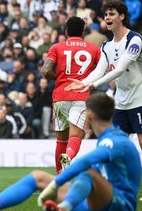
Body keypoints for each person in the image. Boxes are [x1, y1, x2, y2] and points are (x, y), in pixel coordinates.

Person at [0, 93, 142, 211]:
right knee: (38, 176)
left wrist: (56, 185)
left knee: (86, 170)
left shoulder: (116, 141)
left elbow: (85, 164)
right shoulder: (108, 139)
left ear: (88, 115)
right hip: (95, 208)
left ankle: (64, 208)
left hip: (120, 209)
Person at [66, 0, 142, 202]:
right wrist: (83, 82)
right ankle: (116, 187)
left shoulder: (135, 40)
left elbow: (120, 69)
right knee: (115, 145)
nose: (107, 17)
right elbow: (100, 70)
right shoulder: (106, 45)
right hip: (122, 100)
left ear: (122, 16)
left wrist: (92, 85)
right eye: (106, 14)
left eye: (112, 14)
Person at [41, 16, 101, 173]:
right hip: (81, 96)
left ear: (66, 31)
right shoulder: (93, 49)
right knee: (77, 135)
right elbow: (103, 69)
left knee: (61, 139)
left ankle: (59, 176)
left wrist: (59, 79)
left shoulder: (57, 47)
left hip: (60, 96)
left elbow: (45, 71)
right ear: (83, 31)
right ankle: (68, 156)